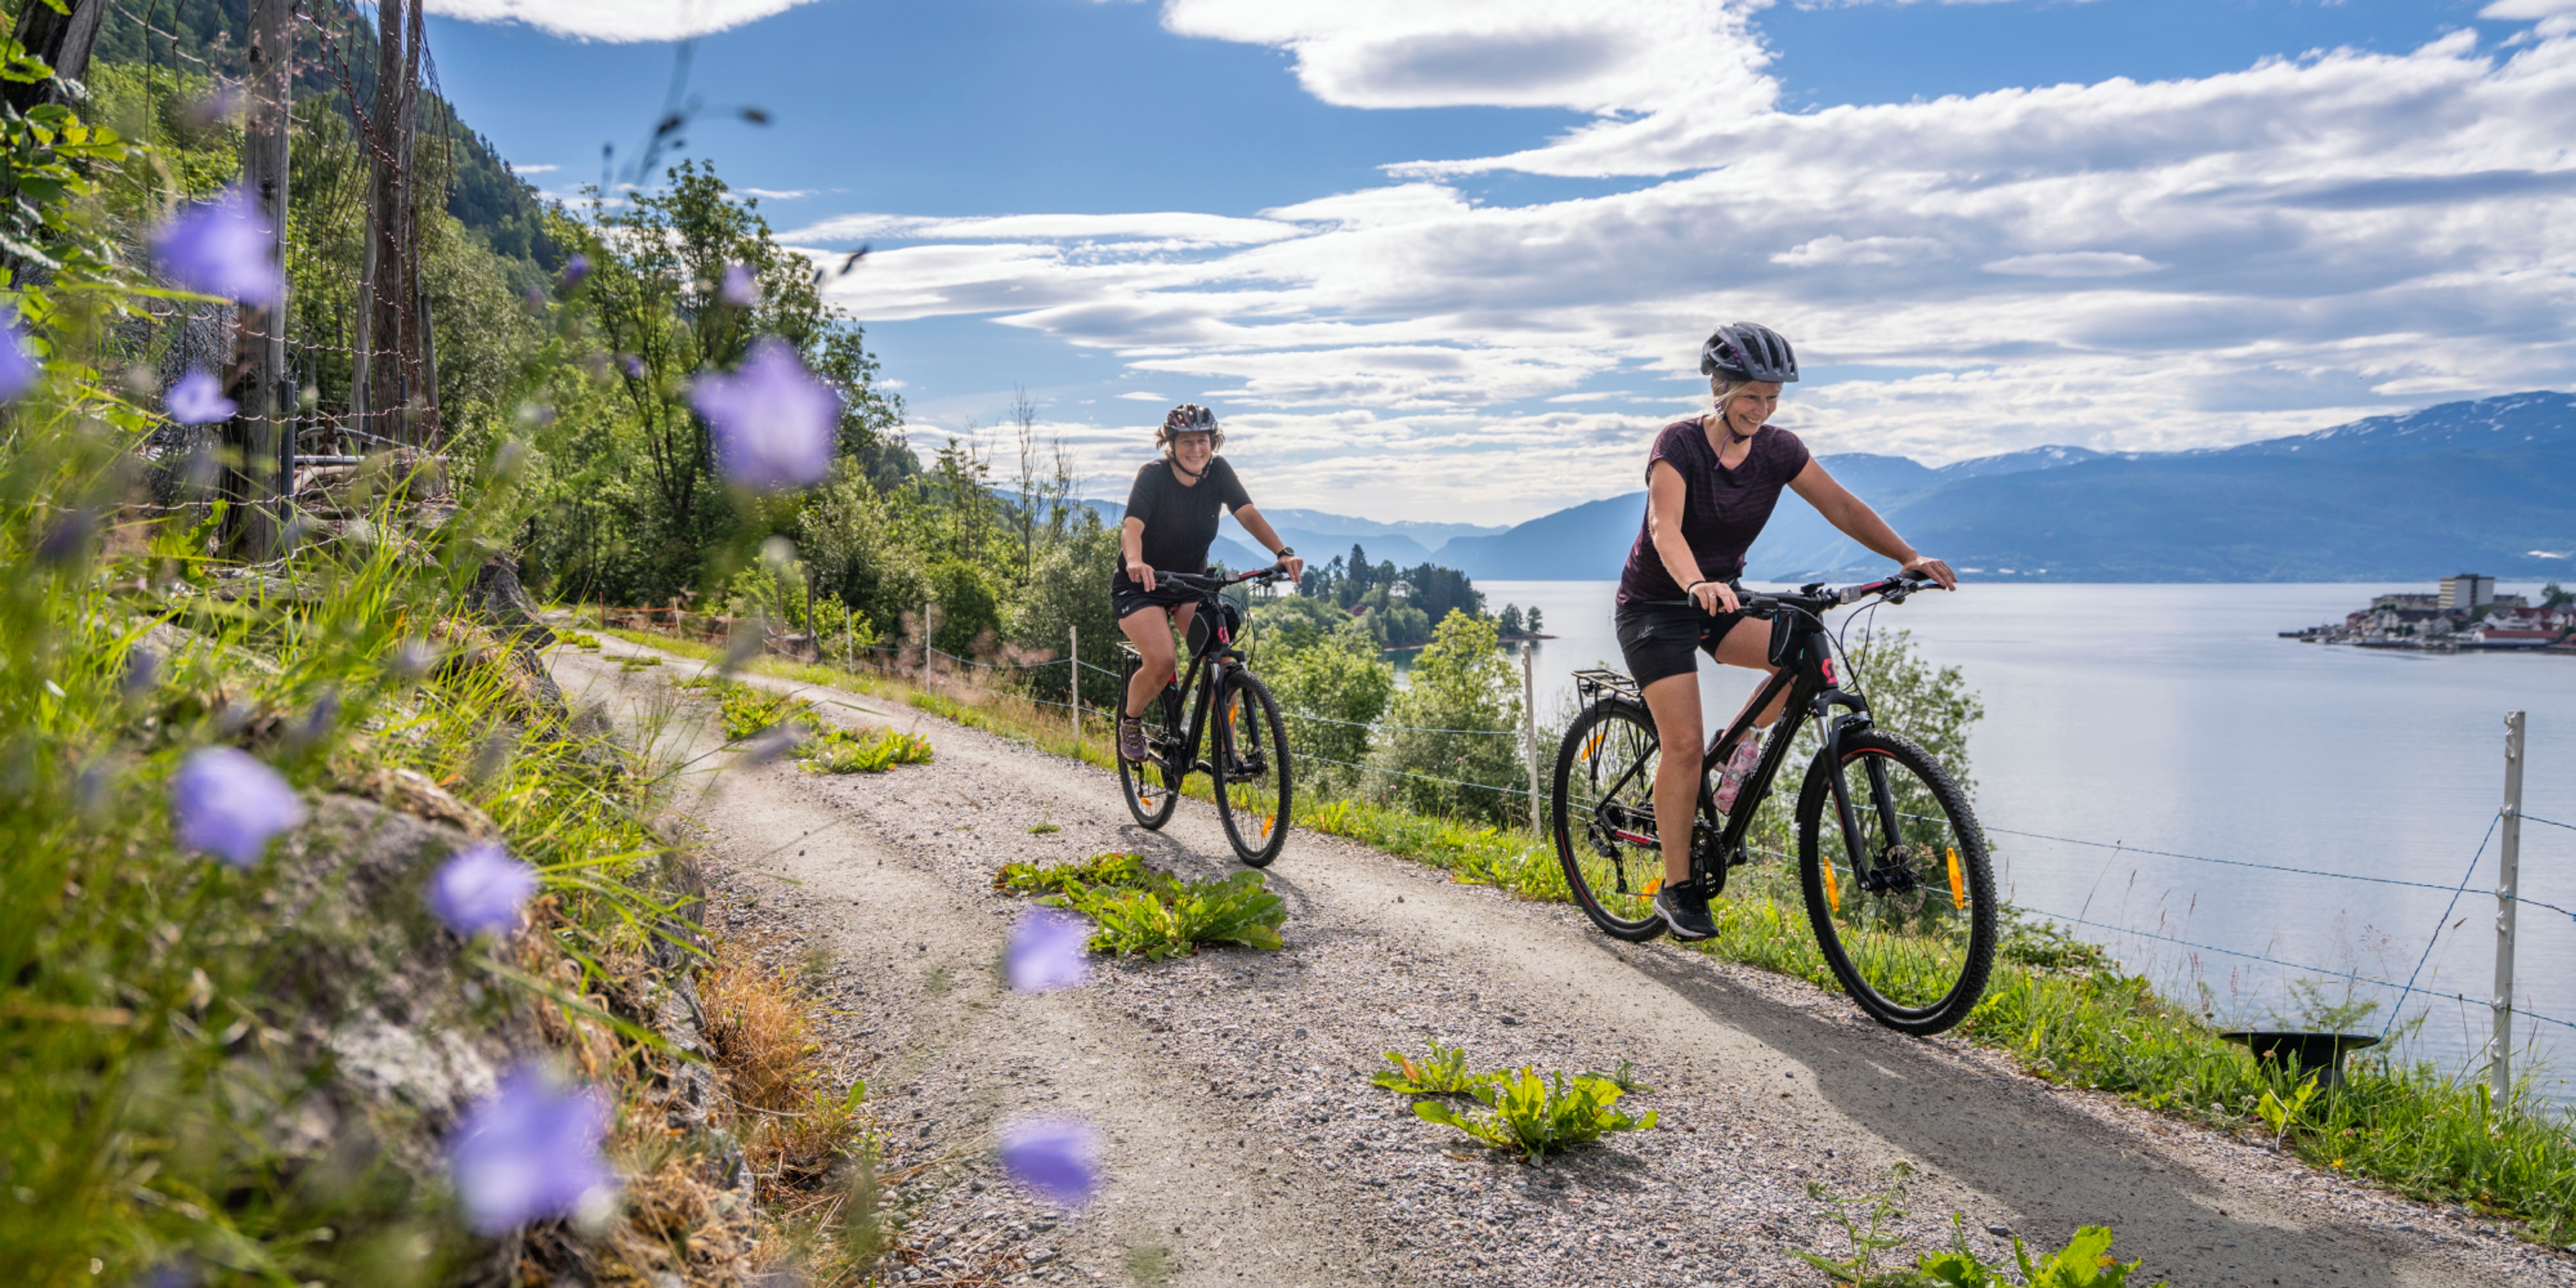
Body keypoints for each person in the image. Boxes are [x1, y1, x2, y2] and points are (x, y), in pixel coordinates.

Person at [1615, 322, 1957, 940]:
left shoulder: (1778, 450)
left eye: (1774, 399)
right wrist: (1695, 584)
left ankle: (1739, 746)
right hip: (1658, 605)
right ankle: (1676, 888)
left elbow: (1842, 507)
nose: (1763, 410)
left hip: (1720, 599)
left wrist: (1906, 556)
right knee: (1684, 745)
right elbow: (1666, 528)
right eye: (1752, 397)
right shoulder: (1679, 445)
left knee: (1799, 653)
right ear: (1720, 388)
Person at [1115, 405, 1305, 761]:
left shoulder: (1218, 472)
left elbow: (1246, 512)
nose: (1196, 449)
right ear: (1171, 444)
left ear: (1212, 442)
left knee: (1222, 660)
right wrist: (1136, 561)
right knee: (1162, 661)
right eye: (1186, 441)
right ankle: (1131, 721)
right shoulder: (1153, 476)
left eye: (1202, 440)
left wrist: (1282, 552)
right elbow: (1133, 526)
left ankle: (1225, 760)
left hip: (1189, 584)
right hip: (1141, 586)